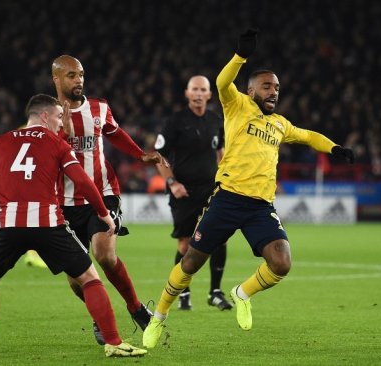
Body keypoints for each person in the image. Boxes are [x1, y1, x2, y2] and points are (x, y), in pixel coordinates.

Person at [142, 29, 354, 348]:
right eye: (267, 86)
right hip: (227, 199)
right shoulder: (237, 105)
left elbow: (309, 136)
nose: (273, 92)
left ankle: (242, 293)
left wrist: (334, 148)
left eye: (277, 87)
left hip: (260, 207)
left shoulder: (280, 124)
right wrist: (240, 56)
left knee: (282, 262)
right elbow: (222, 83)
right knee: (189, 263)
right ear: (251, 90)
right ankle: (158, 317)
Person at [0, 94, 147, 358]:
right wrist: (103, 212)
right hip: (48, 224)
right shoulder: (57, 144)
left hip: (9, 226)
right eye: (58, 117)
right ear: (44, 116)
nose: (61, 123)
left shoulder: (0, 142)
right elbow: (83, 182)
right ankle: (114, 342)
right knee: (90, 278)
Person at [51, 55, 165, 345]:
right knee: (78, 278)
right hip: (63, 203)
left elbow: (116, 134)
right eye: (72, 76)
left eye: (82, 75)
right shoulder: (46, 115)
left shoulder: (99, 107)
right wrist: (63, 130)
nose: (79, 81)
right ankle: (99, 317)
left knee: (104, 255)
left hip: (102, 193)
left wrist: (141, 154)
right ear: (57, 79)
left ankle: (136, 308)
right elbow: (45, 157)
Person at [154, 75, 232, 311]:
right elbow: (160, 155)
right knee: (185, 243)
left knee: (219, 238)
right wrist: (171, 182)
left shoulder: (215, 120)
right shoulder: (176, 121)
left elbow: (221, 153)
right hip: (184, 192)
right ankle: (183, 292)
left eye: (203, 90)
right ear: (187, 94)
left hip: (211, 190)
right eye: (194, 89)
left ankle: (215, 292)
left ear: (209, 95)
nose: (198, 94)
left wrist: (225, 178)